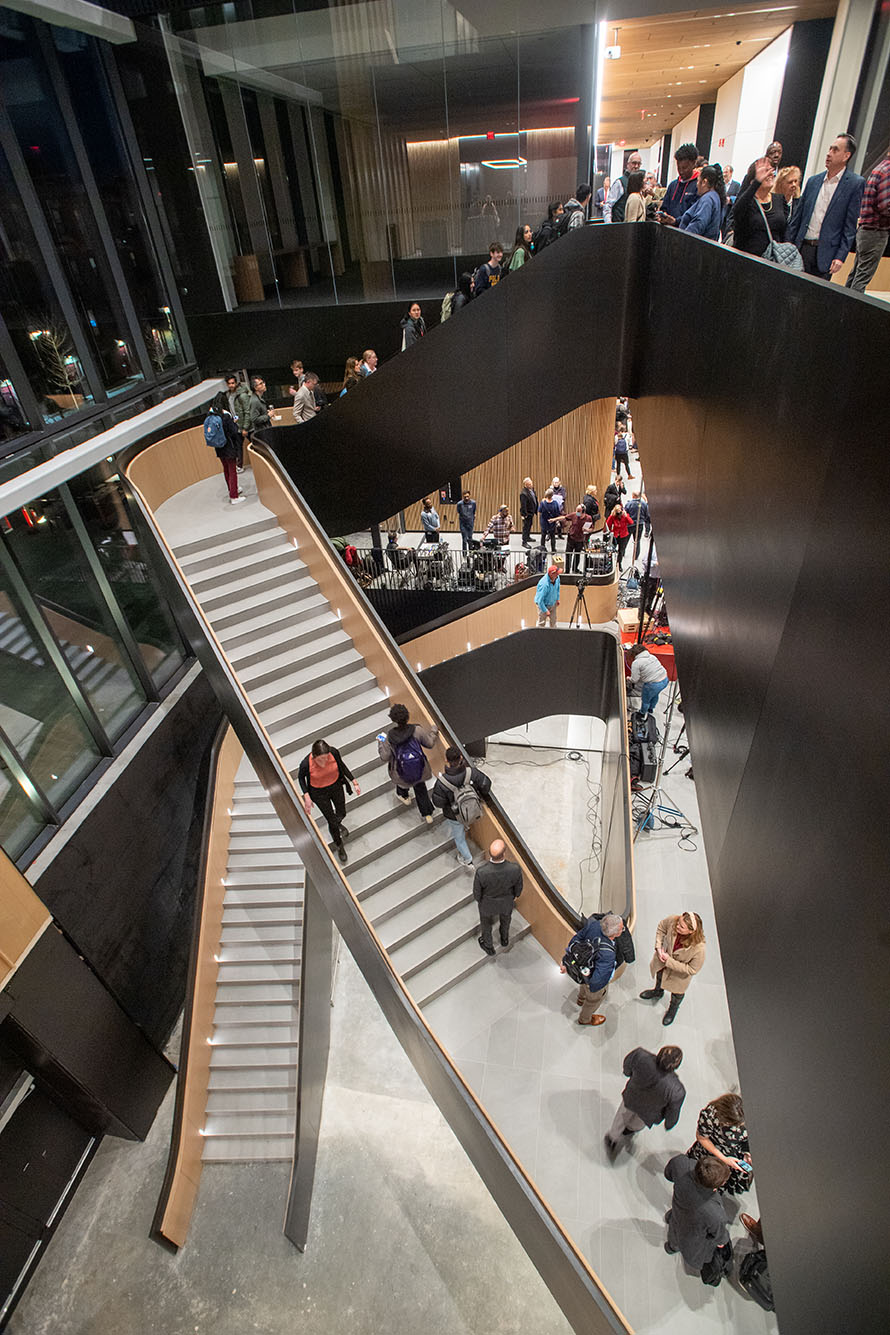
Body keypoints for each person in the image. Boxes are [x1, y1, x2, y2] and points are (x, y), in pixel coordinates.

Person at [788, 133, 865, 280]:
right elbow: (797, 218)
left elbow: (850, 226)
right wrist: (788, 244)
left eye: (835, 150)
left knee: (815, 300)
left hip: (826, 255)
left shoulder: (854, 184)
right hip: (801, 249)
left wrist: (840, 256)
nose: (829, 154)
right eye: (830, 149)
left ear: (846, 156)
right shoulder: (813, 181)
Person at [604, 1045, 685, 1157]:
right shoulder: (676, 1090)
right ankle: (629, 1129)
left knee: (622, 1117)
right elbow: (673, 1111)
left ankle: (612, 1138)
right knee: (638, 1123)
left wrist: (628, 1073)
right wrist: (669, 1123)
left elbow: (627, 1066)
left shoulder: (641, 1056)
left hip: (631, 1098)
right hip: (649, 1112)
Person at [664, 1155, 732, 1283]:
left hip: (677, 1214)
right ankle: (673, 1247)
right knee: (685, 1241)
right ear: (716, 1187)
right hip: (691, 1235)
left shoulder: (681, 1163)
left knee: (674, 1232)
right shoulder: (716, 1213)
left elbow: (668, 1174)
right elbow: (720, 1238)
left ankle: (670, 1247)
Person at [298, 739, 360, 865]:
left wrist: (354, 781)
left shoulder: (333, 753)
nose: (325, 761)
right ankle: (339, 844)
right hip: (319, 793)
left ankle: (337, 824)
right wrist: (307, 796)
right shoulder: (306, 763)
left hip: (335, 786)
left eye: (326, 758)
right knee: (331, 820)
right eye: (321, 759)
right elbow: (301, 778)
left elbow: (341, 766)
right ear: (314, 756)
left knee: (341, 812)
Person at [639, 910, 706, 1025]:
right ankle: (657, 991)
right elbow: (661, 927)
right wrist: (658, 947)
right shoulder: (673, 920)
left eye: (681, 926)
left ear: (691, 931)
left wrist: (669, 961)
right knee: (659, 978)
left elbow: (692, 969)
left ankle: (673, 1009)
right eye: (678, 922)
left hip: (678, 976)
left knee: (677, 994)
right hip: (661, 963)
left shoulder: (699, 949)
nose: (677, 926)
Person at [560, 912, 624, 1025]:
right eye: (621, 929)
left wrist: (566, 960)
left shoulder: (594, 925)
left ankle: (580, 999)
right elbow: (597, 980)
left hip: (582, 969)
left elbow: (577, 938)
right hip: (592, 979)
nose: (622, 930)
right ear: (614, 935)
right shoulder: (608, 954)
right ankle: (585, 1019)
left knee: (583, 986)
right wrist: (594, 989)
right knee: (593, 1001)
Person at [431, 745, 491, 867]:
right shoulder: (471, 772)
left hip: (455, 816)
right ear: (461, 757)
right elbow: (486, 784)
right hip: (473, 810)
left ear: (446, 760)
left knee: (459, 838)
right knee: (464, 826)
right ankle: (467, 826)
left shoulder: (442, 783)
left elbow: (438, 803)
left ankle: (467, 859)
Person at [377, 702, 438, 821]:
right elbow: (430, 743)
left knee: (402, 782)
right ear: (407, 716)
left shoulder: (389, 737)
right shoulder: (417, 730)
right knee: (420, 787)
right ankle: (427, 814)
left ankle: (404, 796)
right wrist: (433, 731)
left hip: (400, 773)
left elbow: (385, 757)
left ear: (393, 719)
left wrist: (380, 742)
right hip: (419, 769)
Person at [688, 1093, 753, 1196]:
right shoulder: (710, 1115)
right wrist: (724, 1159)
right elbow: (702, 1137)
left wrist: (747, 1153)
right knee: (706, 1180)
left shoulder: (747, 1115)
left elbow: (746, 1140)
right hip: (713, 1153)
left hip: (733, 1155)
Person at [846, 144, 890, 293]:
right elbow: (885, 206)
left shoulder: (880, 167)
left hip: (866, 231)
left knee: (855, 275)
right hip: (875, 232)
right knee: (861, 278)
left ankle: (842, 308)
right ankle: (850, 313)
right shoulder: (888, 171)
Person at [472, 839, 522, 954]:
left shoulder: (482, 872)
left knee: (486, 924)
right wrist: (513, 897)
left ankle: (488, 946)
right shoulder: (514, 869)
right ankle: (504, 939)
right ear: (504, 853)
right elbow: (518, 889)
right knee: (506, 921)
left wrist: (481, 901)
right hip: (506, 903)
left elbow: (477, 893)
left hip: (487, 904)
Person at [732, 157, 788, 256]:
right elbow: (737, 211)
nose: (770, 174)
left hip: (772, 261)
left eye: (771, 170)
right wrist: (757, 183)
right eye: (765, 171)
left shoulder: (779, 199)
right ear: (752, 181)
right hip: (746, 260)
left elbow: (784, 232)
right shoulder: (747, 201)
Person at [664, 164, 724, 239]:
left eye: (698, 181)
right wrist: (675, 221)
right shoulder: (714, 196)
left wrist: (682, 239)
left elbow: (698, 224)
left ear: (704, 182)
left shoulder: (707, 199)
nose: (696, 185)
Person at [203, 403, 244, 505]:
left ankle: (232, 490)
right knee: (232, 471)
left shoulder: (211, 416)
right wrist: (234, 422)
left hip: (219, 447)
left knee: (226, 469)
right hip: (229, 446)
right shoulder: (225, 416)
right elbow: (234, 431)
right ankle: (234, 496)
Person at [658, 144, 699, 223]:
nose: (681, 171)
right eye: (678, 168)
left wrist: (676, 221)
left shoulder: (698, 186)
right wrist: (663, 215)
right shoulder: (673, 185)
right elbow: (664, 207)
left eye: (684, 168)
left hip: (686, 231)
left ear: (693, 163)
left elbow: (694, 214)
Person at [604, 151, 643, 223]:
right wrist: (609, 224)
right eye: (634, 163)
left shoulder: (639, 184)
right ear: (628, 164)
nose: (636, 166)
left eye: (639, 164)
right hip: (619, 226)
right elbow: (608, 205)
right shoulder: (620, 182)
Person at [564, 505, 592, 573]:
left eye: (578, 511)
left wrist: (587, 530)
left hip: (580, 540)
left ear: (583, 512)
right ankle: (567, 571)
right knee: (568, 554)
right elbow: (564, 517)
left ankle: (575, 569)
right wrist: (554, 519)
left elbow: (591, 529)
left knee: (577, 555)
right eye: (576, 510)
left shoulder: (588, 518)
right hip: (571, 538)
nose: (576, 512)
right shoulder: (574, 515)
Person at [606, 504, 634, 571]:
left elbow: (631, 522)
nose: (619, 514)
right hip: (615, 535)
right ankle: (610, 564)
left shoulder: (624, 515)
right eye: (618, 513)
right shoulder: (612, 516)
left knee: (621, 551)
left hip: (623, 535)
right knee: (611, 550)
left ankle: (619, 564)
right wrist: (610, 532)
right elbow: (607, 524)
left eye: (620, 512)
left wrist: (626, 516)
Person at [538, 488, 562, 553]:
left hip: (544, 522)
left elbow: (539, 511)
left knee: (543, 536)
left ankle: (542, 549)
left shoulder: (542, 503)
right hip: (552, 522)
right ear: (552, 495)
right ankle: (553, 549)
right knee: (552, 536)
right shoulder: (555, 503)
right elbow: (557, 513)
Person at [519, 477, 538, 547]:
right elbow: (523, 505)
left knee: (530, 525)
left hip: (531, 512)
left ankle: (528, 537)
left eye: (531, 483)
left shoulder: (531, 490)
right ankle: (524, 542)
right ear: (525, 485)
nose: (531, 485)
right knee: (526, 527)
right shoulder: (523, 493)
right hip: (527, 513)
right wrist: (524, 515)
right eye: (529, 484)